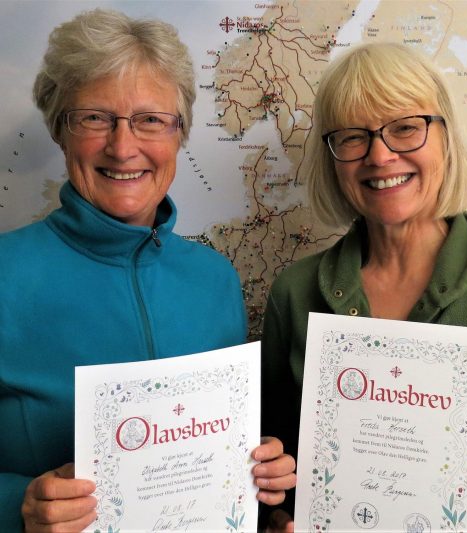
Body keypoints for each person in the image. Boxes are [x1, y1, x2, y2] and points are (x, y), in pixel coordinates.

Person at [0, 9, 295, 532]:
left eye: (150, 120)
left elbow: (226, 446)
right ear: (60, 130)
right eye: (94, 117)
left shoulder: (215, 279)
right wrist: (17, 506)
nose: (122, 146)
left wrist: (261, 476)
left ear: (179, 135)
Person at [262, 42, 467, 531]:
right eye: (354, 137)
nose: (380, 155)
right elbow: (272, 446)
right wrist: (273, 513)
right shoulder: (293, 292)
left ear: (445, 138)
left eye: (404, 128)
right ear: (333, 158)